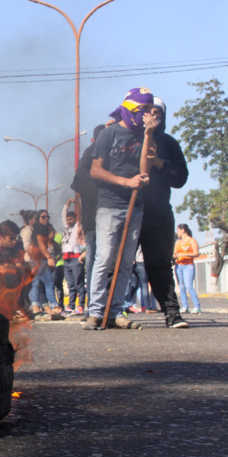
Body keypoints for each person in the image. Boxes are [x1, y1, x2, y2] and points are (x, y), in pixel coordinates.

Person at [83, 87, 155, 330]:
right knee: (104, 258)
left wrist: (148, 136)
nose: (145, 115)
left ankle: (115, 311)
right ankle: (95, 311)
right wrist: (126, 182)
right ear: (130, 109)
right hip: (110, 205)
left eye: (149, 111)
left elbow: (145, 170)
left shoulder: (144, 135)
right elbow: (95, 170)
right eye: (142, 110)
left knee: (126, 263)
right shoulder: (108, 134)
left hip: (135, 206)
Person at [138, 96, 190, 328]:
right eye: (148, 111)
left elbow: (181, 178)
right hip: (127, 209)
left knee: (159, 263)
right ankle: (109, 311)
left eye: (157, 112)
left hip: (158, 211)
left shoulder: (169, 143)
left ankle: (172, 312)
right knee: (115, 264)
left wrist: (160, 164)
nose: (152, 116)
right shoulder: (129, 139)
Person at [71, 124, 106, 317]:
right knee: (94, 262)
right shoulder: (89, 155)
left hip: (110, 218)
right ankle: (93, 307)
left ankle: (111, 306)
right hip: (94, 220)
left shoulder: (113, 155)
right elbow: (79, 184)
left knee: (107, 262)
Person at [28, 210, 61, 317]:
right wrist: (49, 257)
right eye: (43, 217)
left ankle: (46, 306)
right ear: (38, 218)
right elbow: (41, 245)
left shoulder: (45, 229)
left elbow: (48, 242)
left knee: (43, 282)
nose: (46, 219)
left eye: (47, 217)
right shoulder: (38, 230)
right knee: (42, 282)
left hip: (39, 259)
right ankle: (43, 306)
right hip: (38, 259)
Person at [61, 198, 86, 315]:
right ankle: (71, 306)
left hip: (76, 257)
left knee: (78, 283)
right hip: (66, 259)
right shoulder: (66, 227)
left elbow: (81, 215)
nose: (68, 220)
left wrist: (78, 203)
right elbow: (63, 215)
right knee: (70, 284)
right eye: (67, 219)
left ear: (75, 219)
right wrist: (67, 204)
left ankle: (80, 305)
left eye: (71, 218)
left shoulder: (77, 227)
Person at [174, 223, 201, 314]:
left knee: (189, 286)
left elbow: (196, 253)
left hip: (188, 266)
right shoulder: (178, 242)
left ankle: (197, 306)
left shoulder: (191, 241)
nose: (177, 232)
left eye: (178, 230)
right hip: (178, 266)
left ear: (183, 230)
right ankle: (185, 306)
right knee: (181, 287)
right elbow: (175, 253)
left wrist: (184, 254)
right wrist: (174, 256)